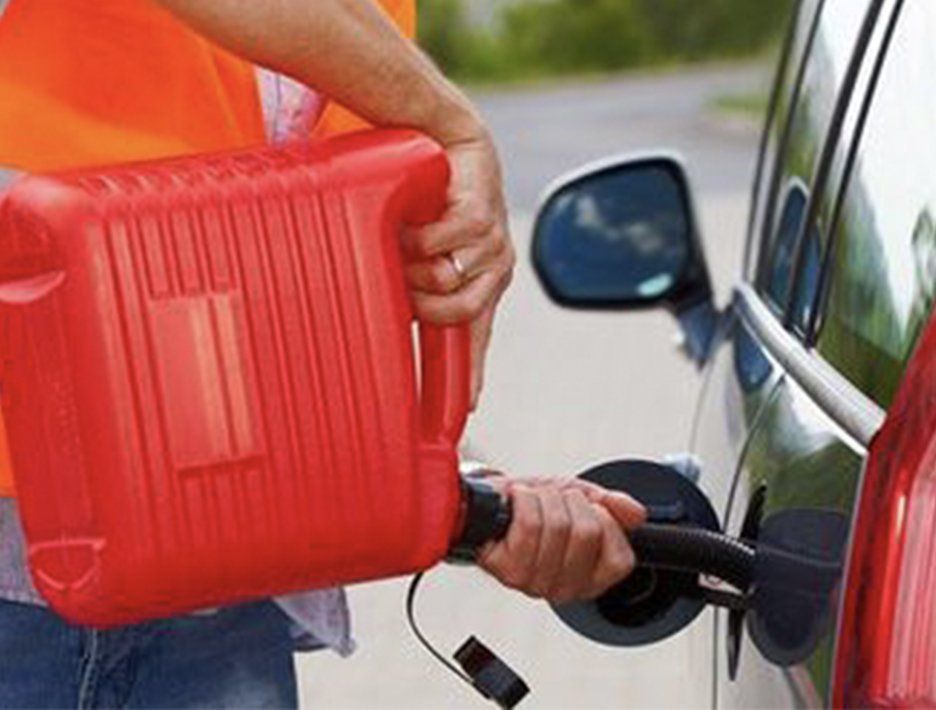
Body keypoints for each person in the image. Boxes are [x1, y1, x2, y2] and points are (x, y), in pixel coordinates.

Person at [0, 1, 646, 707]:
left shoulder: (369, 25)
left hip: (215, 586)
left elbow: (283, 316)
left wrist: (459, 486)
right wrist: (451, 125)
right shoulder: (409, 85)